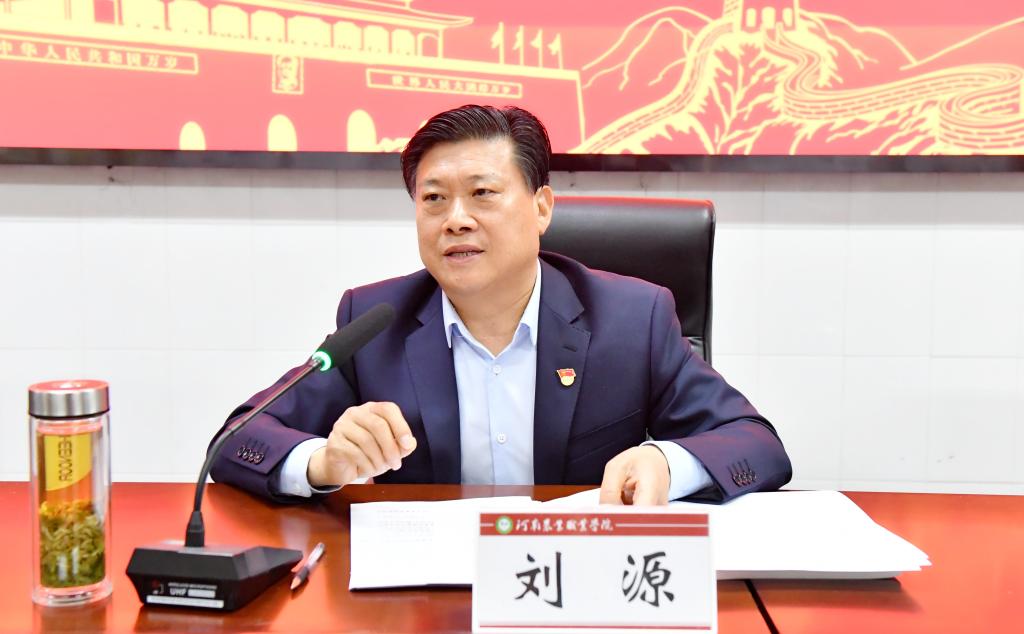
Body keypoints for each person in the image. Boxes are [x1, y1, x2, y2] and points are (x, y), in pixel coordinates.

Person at [210, 105, 791, 505]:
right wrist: (323, 464)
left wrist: (667, 462)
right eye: (433, 199)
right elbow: (236, 440)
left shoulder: (631, 320)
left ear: (541, 208)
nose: (456, 219)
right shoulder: (374, 322)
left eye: (482, 193)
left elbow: (755, 442)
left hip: (576, 588)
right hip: (429, 597)